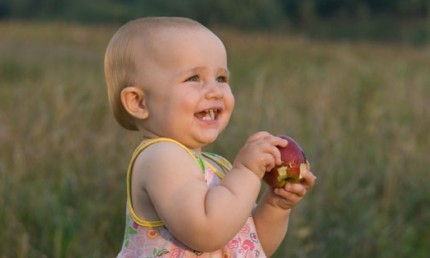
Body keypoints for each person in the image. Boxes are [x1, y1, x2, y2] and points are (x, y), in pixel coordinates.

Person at [104, 16, 316, 257]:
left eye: (221, 78)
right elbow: (207, 232)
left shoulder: (217, 168)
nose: (215, 91)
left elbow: (247, 247)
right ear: (139, 102)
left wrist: (277, 205)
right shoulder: (160, 157)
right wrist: (246, 172)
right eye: (193, 78)